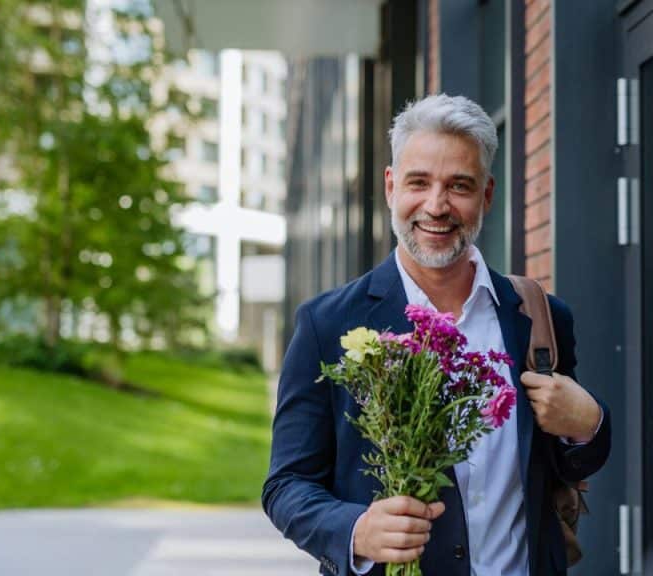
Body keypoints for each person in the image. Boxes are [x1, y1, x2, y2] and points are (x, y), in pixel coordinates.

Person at [262, 94, 611, 576]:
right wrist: (355, 530)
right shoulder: (327, 324)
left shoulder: (540, 317)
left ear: (487, 195)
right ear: (391, 187)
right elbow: (287, 485)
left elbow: (565, 466)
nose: (436, 206)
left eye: (459, 186)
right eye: (418, 182)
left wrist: (589, 423)